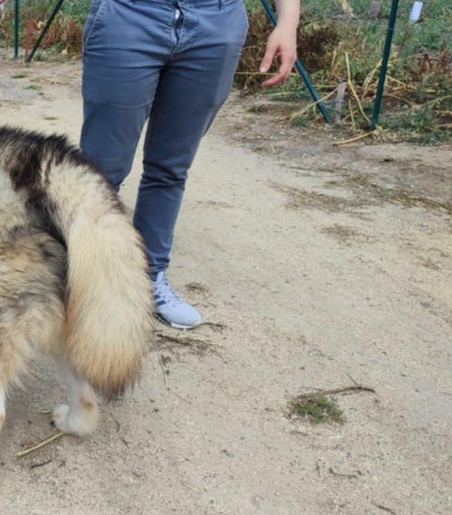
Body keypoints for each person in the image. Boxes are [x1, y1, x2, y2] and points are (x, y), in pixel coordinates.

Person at [79, 0, 299, 329]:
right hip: (130, 14)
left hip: (216, 22)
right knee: (99, 172)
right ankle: (85, 281)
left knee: (170, 168)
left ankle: (148, 277)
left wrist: (287, 23)